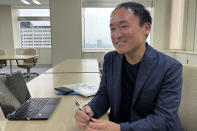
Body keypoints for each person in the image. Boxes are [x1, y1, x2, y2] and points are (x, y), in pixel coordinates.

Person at [75, 2, 183, 131]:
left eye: (124, 26)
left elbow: (164, 119)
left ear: (146, 28)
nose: (116, 35)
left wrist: (120, 128)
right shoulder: (110, 59)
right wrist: (89, 109)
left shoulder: (170, 67)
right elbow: (104, 95)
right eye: (112, 29)